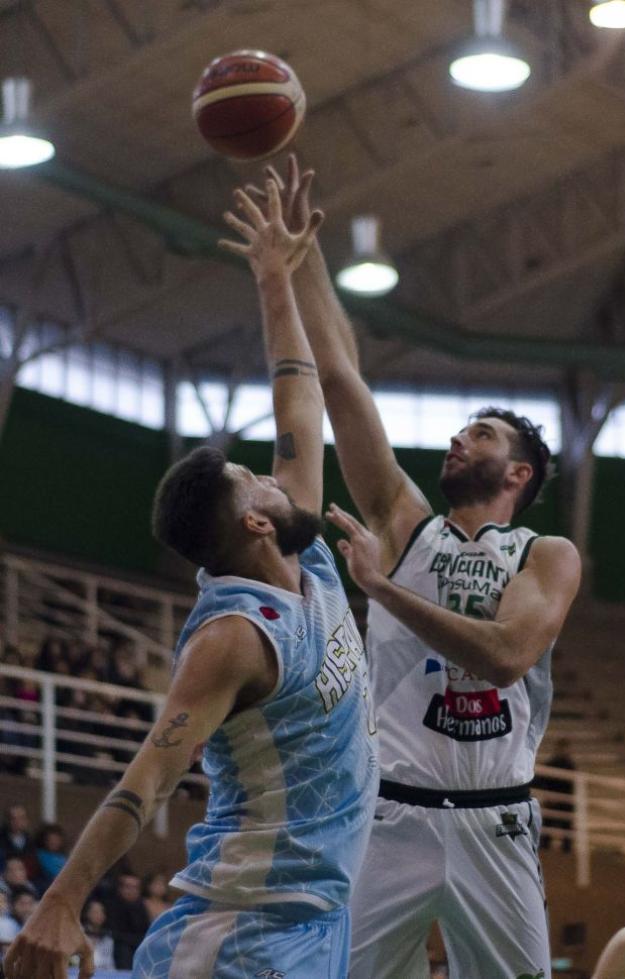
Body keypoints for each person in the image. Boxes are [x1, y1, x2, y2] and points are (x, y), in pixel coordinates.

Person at [4, 179, 378, 979]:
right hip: (242, 930)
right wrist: (62, 899)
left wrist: (276, 276)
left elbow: (300, 395)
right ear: (254, 522)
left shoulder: (302, 549)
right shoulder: (235, 636)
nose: (276, 475)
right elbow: (147, 777)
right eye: (256, 478)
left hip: (316, 917)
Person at [254, 156, 582, 979]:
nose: (458, 439)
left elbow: (506, 656)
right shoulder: (405, 525)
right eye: (460, 429)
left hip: (495, 823)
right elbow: (339, 379)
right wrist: (303, 261)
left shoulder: (546, 555)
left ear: (519, 475)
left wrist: (383, 590)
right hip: (390, 815)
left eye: (481, 434)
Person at [103, 872, 149, 969]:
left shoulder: (142, 907)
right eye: (128, 887)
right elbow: (113, 932)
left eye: (135, 887)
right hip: (116, 947)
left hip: (138, 945)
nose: (132, 891)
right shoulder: (110, 906)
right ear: (120, 888)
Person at [81, 899, 116, 971]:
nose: (98, 915)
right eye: (95, 912)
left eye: (101, 912)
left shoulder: (108, 938)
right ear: (87, 914)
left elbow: (109, 963)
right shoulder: (80, 934)